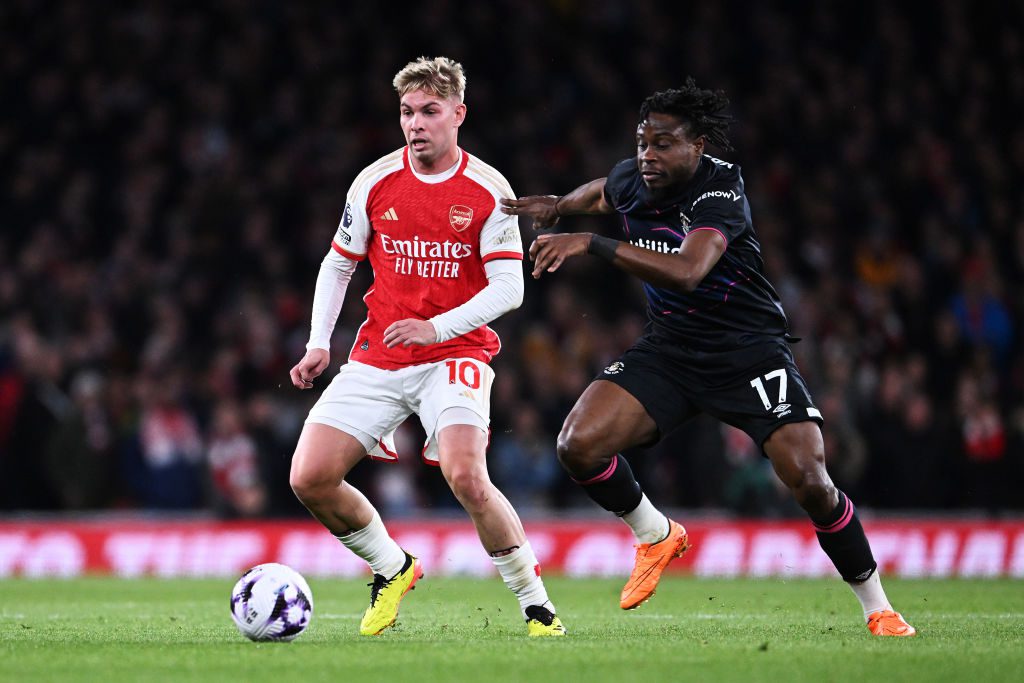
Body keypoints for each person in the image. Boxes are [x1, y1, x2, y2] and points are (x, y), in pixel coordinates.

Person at [501, 78, 915, 637]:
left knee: (809, 477)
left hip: (747, 350)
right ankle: (655, 534)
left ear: (698, 147)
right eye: (643, 142)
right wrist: (560, 204)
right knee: (578, 444)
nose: (648, 155)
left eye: (664, 143)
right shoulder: (634, 177)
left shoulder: (719, 192)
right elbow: (605, 191)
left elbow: (689, 272)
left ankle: (879, 608)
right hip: (672, 348)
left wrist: (589, 243)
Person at [288, 56, 565, 637]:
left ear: (458, 115)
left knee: (465, 476)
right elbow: (339, 265)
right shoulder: (374, 182)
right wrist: (318, 342)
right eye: (407, 113)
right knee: (308, 477)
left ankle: (537, 605)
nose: (415, 124)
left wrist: (435, 329)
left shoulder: (488, 190)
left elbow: (510, 288)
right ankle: (392, 568)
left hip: (455, 354)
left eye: (429, 112)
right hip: (380, 353)